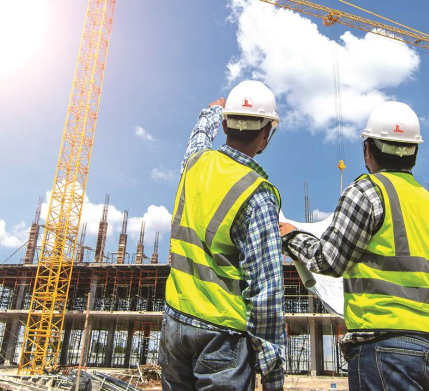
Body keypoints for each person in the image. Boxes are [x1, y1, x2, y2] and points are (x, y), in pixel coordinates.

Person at [281, 101, 429, 391]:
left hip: (382, 346)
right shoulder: (425, 201)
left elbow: (330, 261)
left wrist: (291, 237)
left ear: (368, 149)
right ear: (414, 151)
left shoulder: (368, 191)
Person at [160, 80, 286, 391]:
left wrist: (213, 112)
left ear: (227, 125)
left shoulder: (195, 164)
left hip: (175, 321)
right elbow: (266, 294)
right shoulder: (257, 195)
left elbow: (199, 137)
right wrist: (272, 376)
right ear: (266, 136)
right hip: (222, 336)